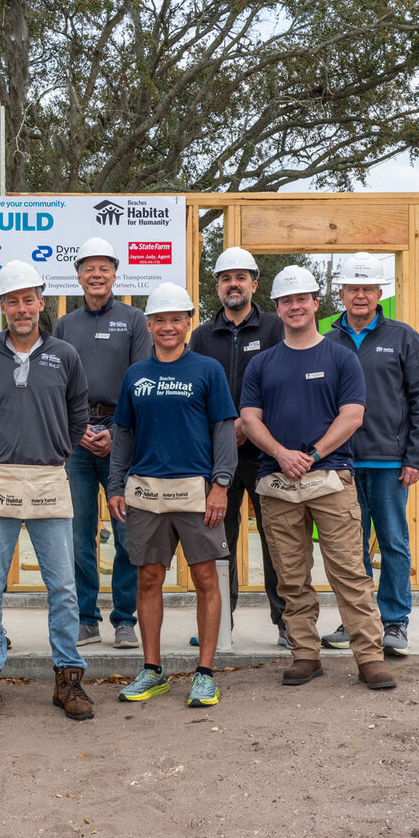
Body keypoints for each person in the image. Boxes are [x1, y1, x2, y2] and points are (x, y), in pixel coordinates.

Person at [238, 266, 396, 690]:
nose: (295, 306)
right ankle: (305, 654)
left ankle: (370, 657)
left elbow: (353, 415)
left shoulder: (340, 358)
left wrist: (310, 454)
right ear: (277, 307)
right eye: (287, 301)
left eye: (302, 299)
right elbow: (249, 419)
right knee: (291, 574)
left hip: (330, 479)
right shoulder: (262, 364)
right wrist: (280, 454)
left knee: (349, 570)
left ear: (315, 303)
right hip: (277, 482)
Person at [0, 260, 93, 722]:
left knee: (63, 588)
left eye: (28, 298)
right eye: (11, 300)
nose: (21, 308)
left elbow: (77, 415)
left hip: (50, 477)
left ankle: (68, 677)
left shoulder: (65, 355)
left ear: (41, 300)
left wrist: (57, 447)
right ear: (1, 305)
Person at [108, 283, 237, 708]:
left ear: (188, 323)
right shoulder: (135, 374)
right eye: (159, 320)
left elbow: (223, 429)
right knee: (148, 579)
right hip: (145, 491)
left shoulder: (207, 370)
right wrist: (115, 486)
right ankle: (152, 670)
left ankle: (205, 673)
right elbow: (122, 433)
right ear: (149, 325)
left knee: (204, 579)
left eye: (175, 320)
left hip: (196, 492)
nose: (167, 327)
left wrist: (221, 484)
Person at [322, 252, 419, 659]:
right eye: (353, 288)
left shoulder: (402, 337)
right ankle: (356, 620)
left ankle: (394, 623)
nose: (360, 296)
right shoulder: (326, 340)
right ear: (341, 293)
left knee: (393, 542)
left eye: (367, 288)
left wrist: (415, 457)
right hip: (341, 464)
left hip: (389, 462)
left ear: (379, 292)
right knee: (348, 548)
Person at [53, 237, 149, 650]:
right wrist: (78, 432)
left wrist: (116, 432)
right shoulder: (64, 325)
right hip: (75, 440)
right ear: (78, 277)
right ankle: (86, 619)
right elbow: (54, 385)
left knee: (126, 533)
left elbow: (141, 378)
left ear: (114, 274)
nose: (96, 275)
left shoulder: (134, 319)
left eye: (104, 268)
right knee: (79, 534)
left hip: (120, 436)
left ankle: (124, 620)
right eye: (88, 269)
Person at [189, 246, 287, 645]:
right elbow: (193, 393)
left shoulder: (275, 330)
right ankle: (219, 624)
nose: (234, 284)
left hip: (266, 455)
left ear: (254, 284)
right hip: (217, 460)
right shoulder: (201, 336)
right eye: (226, 278)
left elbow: (284, 387)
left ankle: (285, 624)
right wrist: (221, 432)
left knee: (277, 541)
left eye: (241, 277)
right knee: (218, 543)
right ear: (217, 287)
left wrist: (250, 426)